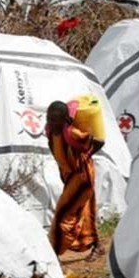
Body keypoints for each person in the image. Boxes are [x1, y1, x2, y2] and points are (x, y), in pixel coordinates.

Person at [46, 100, 105, 260]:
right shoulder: (50, 132)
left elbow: (99, 141)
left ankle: (54, 252)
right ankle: (97, 245)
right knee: (86, 211)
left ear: (65, 119)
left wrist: (87, 155)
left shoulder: (72, 133)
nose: (52, 122)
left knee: (62, 213)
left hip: (82, 176)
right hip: (70, 176)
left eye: (56, 119)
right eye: (49, 118)